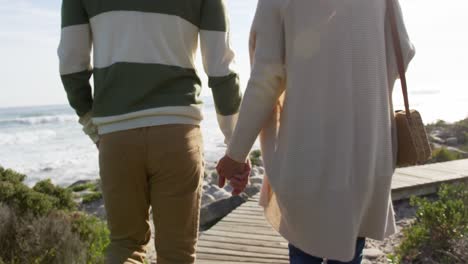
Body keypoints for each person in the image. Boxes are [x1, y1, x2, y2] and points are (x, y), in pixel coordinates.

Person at [217, 0, 415, 263]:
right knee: (350, 245)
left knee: (304, 247)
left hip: (308, 154)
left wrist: (236, 154)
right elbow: (403, 48)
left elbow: (266, 78)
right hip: (367, 151)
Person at [58, 0, 242, 263]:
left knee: (125, 247)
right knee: (177, 253)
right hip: (177, 133)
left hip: (117, 136)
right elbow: (222, 68)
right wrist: (235, 143)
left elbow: (70, 64)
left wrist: (94, 125)